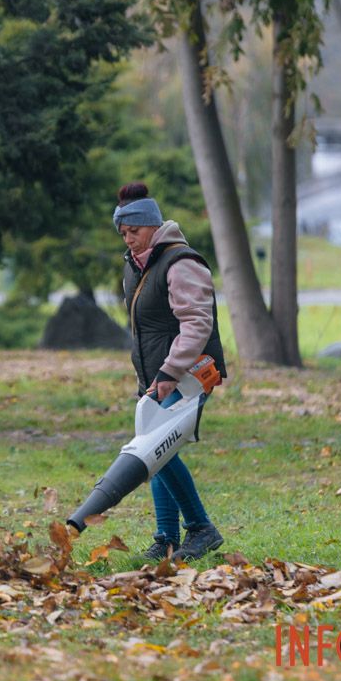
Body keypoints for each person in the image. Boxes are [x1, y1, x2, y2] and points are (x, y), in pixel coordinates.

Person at [114, 181, 228, 562]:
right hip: (157, 378)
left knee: (155, 451)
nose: (128, 239)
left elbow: (197, 324)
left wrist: (167, 372)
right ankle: (166, 537)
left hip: (190, 374)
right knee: (153, 450)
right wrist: (149, 378)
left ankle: (200, 528)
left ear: (152, 225)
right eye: (123, 233)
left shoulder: (181, 262)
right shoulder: (133, 266)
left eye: (134, 231)